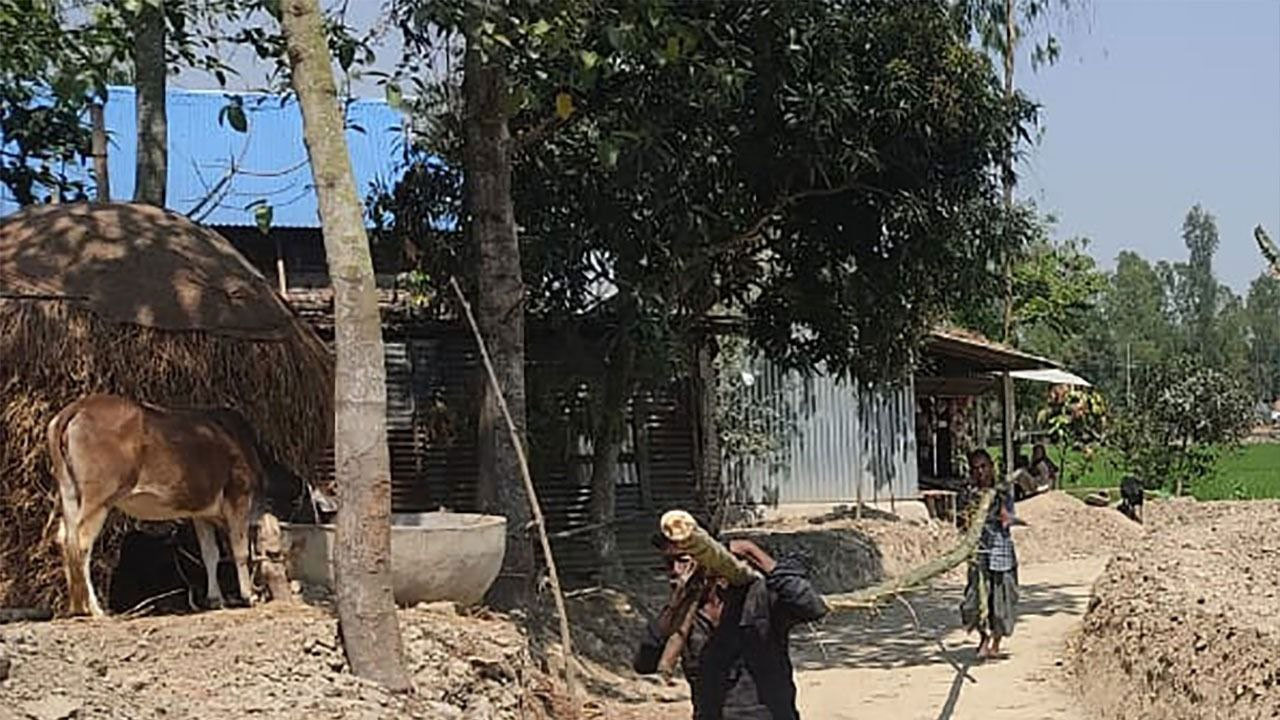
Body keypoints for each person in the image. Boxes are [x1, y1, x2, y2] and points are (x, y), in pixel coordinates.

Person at [633, 525, 828, 720]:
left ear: (708, 558)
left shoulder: (758, 595)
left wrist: (753, 552)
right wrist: (674, 605)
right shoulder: (681, 615)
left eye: (683, 560)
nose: (676, 570)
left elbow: (812, 607)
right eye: (669, 563)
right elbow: (645, 663)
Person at [960, 448, 1018, 661]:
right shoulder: (968, 495)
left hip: (1000, 552)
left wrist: (1003, 516)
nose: (980, 472)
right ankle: (983, 637)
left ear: (991, 468)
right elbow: (962, 523)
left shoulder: (1001, 493)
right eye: (975, 468)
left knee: (1001, 600)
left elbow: (1009, 519)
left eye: (984, 467)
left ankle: (995, 643)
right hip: (978, 554)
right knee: (974, 600)